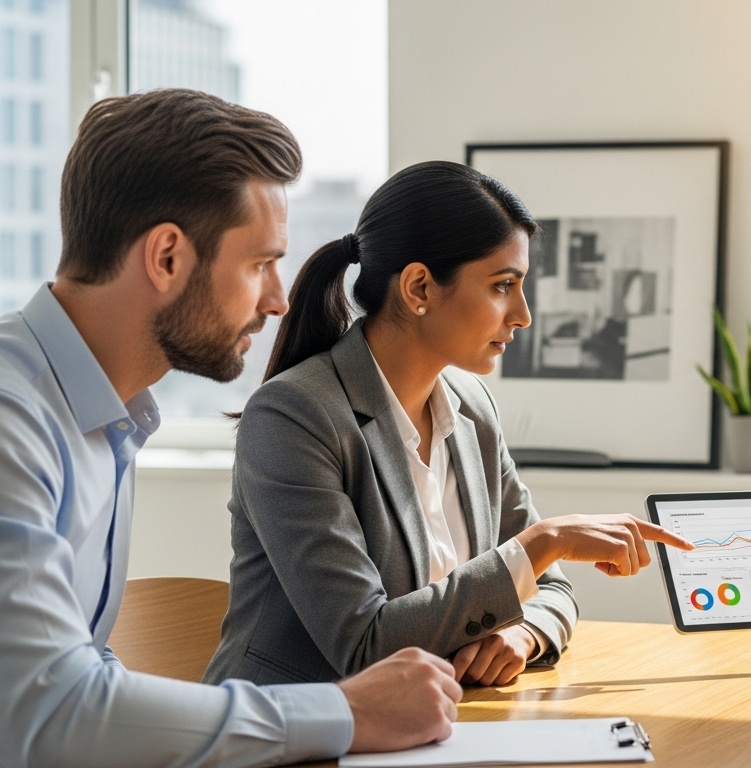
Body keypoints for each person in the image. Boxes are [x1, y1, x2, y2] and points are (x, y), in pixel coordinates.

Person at [0, 89, 466, 766]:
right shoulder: (13, 420)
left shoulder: (108, 416)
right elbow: (46, 711)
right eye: (259, 264)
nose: (278, 300)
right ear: (166, 257)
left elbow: (78, 677)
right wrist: (348, 711)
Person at [203, 160, 692, 690]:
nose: (524, 314)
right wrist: (543, 543)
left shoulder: (471, 407)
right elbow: (363, 644)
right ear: (419, 288)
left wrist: (522, 634)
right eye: (503, 285)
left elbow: (552, 590)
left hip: (439, 726)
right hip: (297, 735)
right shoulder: (293, 418)